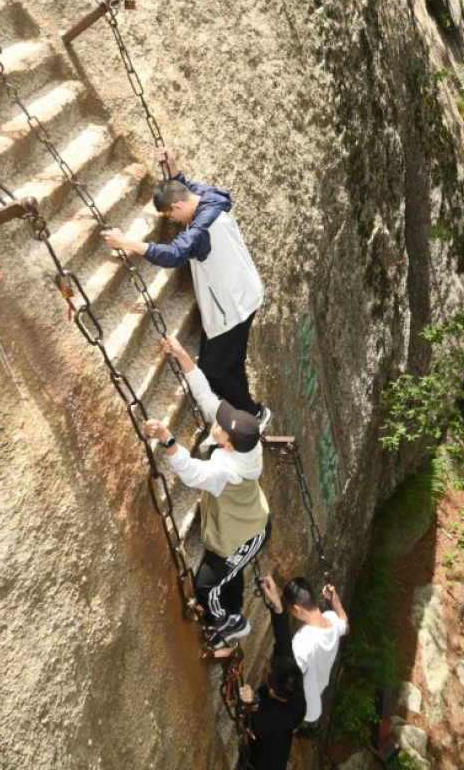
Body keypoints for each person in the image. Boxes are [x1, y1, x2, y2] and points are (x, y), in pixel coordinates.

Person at [103, 147, 269, 423]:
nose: (175, 222)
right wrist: (172, 167)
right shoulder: (209, 197)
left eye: (171, 216)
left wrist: (126, 243)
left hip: (232, 308)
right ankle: (249, 410)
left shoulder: (201, 230)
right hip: (246, 293)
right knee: (232, 361)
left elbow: (173, 254)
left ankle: (254, 416)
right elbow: (185, 186)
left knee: (213, 370)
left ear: (178, 206)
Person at [143, 334, 270, 648]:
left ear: (227, 443)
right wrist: (182, 355)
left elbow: (192, 473)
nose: (219, 419)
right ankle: (235, 607)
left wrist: (167, 438)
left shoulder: (226, 471)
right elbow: (206, 397)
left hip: (247, 534)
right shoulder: (245, 440)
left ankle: (227, 623)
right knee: (230, 570)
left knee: (207, 586)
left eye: (222, 425)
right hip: (244, 519)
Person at [237, 576, 306, 770]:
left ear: (273, 692)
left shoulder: (275, 723)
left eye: (267, 671)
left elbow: (257, 721)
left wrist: (252, 702)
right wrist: (277, 605)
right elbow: (284, 642)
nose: (266, 665)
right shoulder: (291, 680)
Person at [263, 575, 348, 725]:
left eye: (289, 608)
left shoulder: (303, 643)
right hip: (315, 698)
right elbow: (346, 627)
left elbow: (285, 688)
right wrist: (336, 601)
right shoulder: (331, 619)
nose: (290, 612)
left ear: (296, 608)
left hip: (300, 707)